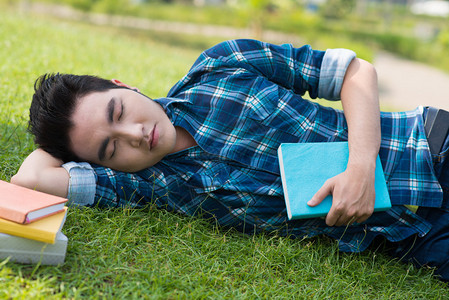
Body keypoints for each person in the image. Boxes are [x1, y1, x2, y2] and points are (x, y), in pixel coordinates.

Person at [11, 39, 449, 281]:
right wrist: (63, 138)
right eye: (110, 148)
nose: (136, 137)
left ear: (122, 85)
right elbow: (32, 177)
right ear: (104, 165)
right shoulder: (146, 186)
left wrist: (359, 167)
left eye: (118, 112)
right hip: (417, 241)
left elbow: (355, 73)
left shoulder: (222, 66)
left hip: (430, 149)